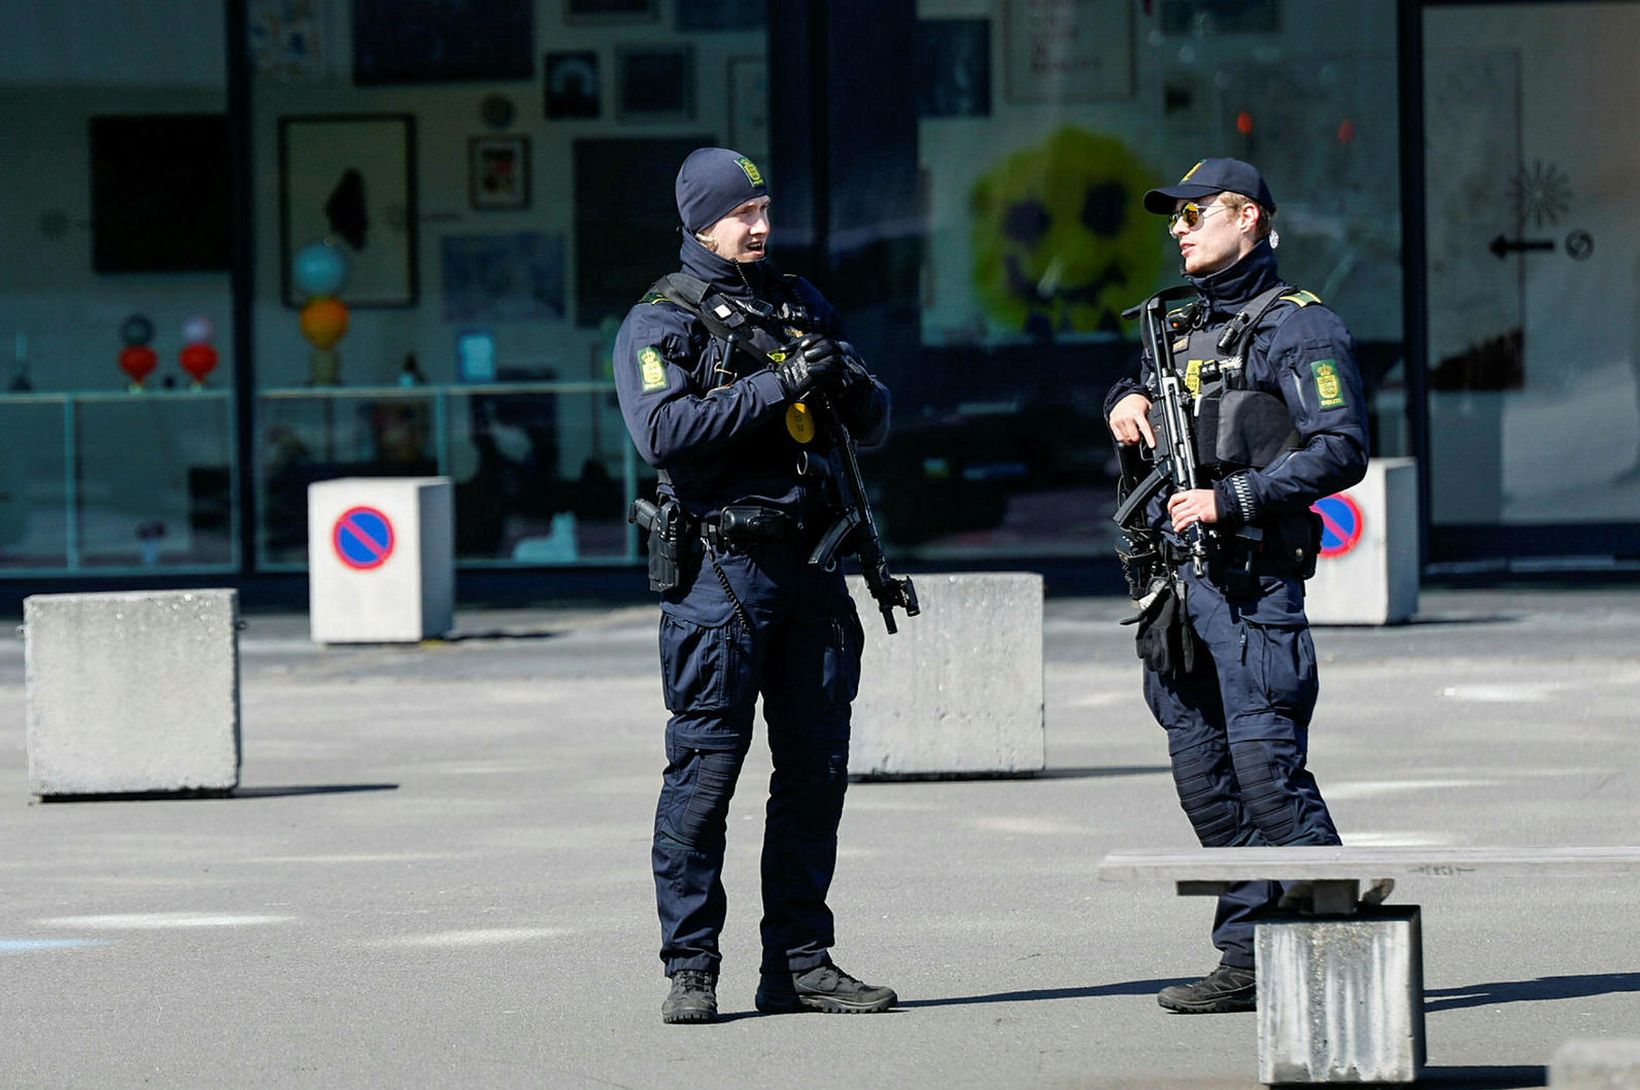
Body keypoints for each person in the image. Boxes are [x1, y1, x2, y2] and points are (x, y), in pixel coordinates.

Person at [613, 146, 898, 1025]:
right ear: (701, 218)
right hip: (719, 575)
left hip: (811, 565)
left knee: (815, 775)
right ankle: (691, 968)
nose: (761, 225)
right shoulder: (664, 320)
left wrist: (847, 384)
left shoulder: (798, 300)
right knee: (704, 775)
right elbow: (663, 431)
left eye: (766, 208)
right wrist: (782, 383)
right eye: (744, 213)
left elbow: (876, 423)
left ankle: (801, 964)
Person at [1104, 158, 1370, 1014]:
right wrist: (1124, 401)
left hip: (1254, 586)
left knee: (1268, 776)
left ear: (1247, 217)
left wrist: (1234, 498)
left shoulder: (1301, 327)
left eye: (1195, 214)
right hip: (1176, 592)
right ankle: (1252, 957)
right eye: (1173, 218)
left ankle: (1343, 974)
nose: (1178, 228)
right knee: (1206, 782)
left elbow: (1340, 447)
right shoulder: (1178, 323)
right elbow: (1157, 395)